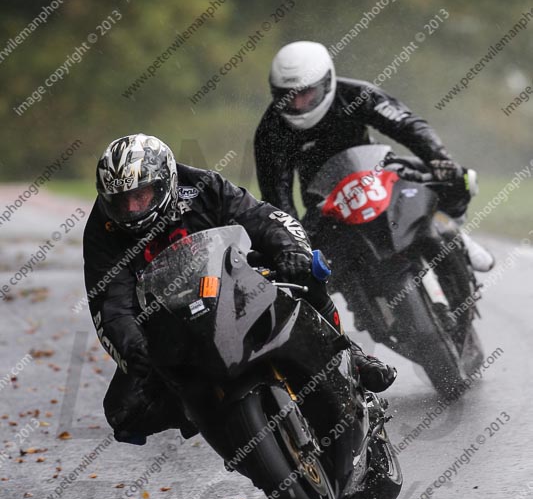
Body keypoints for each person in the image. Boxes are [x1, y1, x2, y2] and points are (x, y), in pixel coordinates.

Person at [83, 134, 396, 445]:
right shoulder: (101, 231)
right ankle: (209, 413)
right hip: (168, 317)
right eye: (121, 201)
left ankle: (350, 354)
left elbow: (262, 216)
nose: (131, 208)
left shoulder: (202, 185)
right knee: (124, 412)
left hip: (233, 281)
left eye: (141, 195)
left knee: (306, 270)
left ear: (165, 182)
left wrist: (289, 249)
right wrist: (133, 346)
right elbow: (110, 304)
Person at [254, 40, 494, 272]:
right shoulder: (270, 132)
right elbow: (276, 195)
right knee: (298, 263)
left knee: (460, 178)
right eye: (287, 96)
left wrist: (438, 158)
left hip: (380, 172)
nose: (298, 104)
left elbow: (407, 125)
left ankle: (458, 234)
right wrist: (294, 243)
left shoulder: (355, 94)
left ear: (327, 83)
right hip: (325, 203)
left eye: (306, 93)